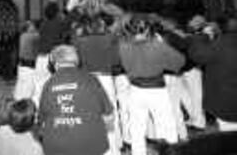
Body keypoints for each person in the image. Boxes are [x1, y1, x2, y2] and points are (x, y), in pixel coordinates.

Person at [118, 17, 185, 155]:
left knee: (137, 129)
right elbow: (179, 62)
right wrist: (163, 44)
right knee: (166, 127)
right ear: (148, 29)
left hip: (135, 90)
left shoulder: (123, 46)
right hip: (157, 91)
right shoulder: (157, 45)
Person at [38, 45, 113, 155]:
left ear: (55, 63)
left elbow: (42, 121)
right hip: (92, 146)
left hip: (56, 148)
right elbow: (109, 115)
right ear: (76, 61)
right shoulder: (91, 79)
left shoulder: (48, 84)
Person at [73, 16, 122, 155]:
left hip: (87, 79)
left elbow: (76, 61)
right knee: (110, 112)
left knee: (90, 113)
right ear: (102, 27)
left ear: (88, 27)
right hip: (105, 78)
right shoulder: (109, 39)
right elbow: (116, 61)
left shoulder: (79, 41)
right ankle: (114, 146)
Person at [189, 17, 237, 131]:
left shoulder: (219, 45)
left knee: (230, 137)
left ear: (219, 28)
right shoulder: (220, 44)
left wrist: (201, 36)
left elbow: (197, 55)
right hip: (227, 95)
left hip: (225, 100)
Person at [34, 2, 69, 106]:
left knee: (39, 86)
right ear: (57, 13)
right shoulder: (58, 23)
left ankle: (37, 111)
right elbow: (67, 23)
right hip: (52, 57)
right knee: (56, 85)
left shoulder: (43, 24)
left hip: (40, 57)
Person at [14, 20, 40, 100]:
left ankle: (20, 99)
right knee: (29, 85)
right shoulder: (30, 36)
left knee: (22, 84)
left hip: (23, 63)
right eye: (32, 26)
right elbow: (40, 36)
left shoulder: (22, 35)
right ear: (28, 28)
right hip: (28, 64)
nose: (34, 27)